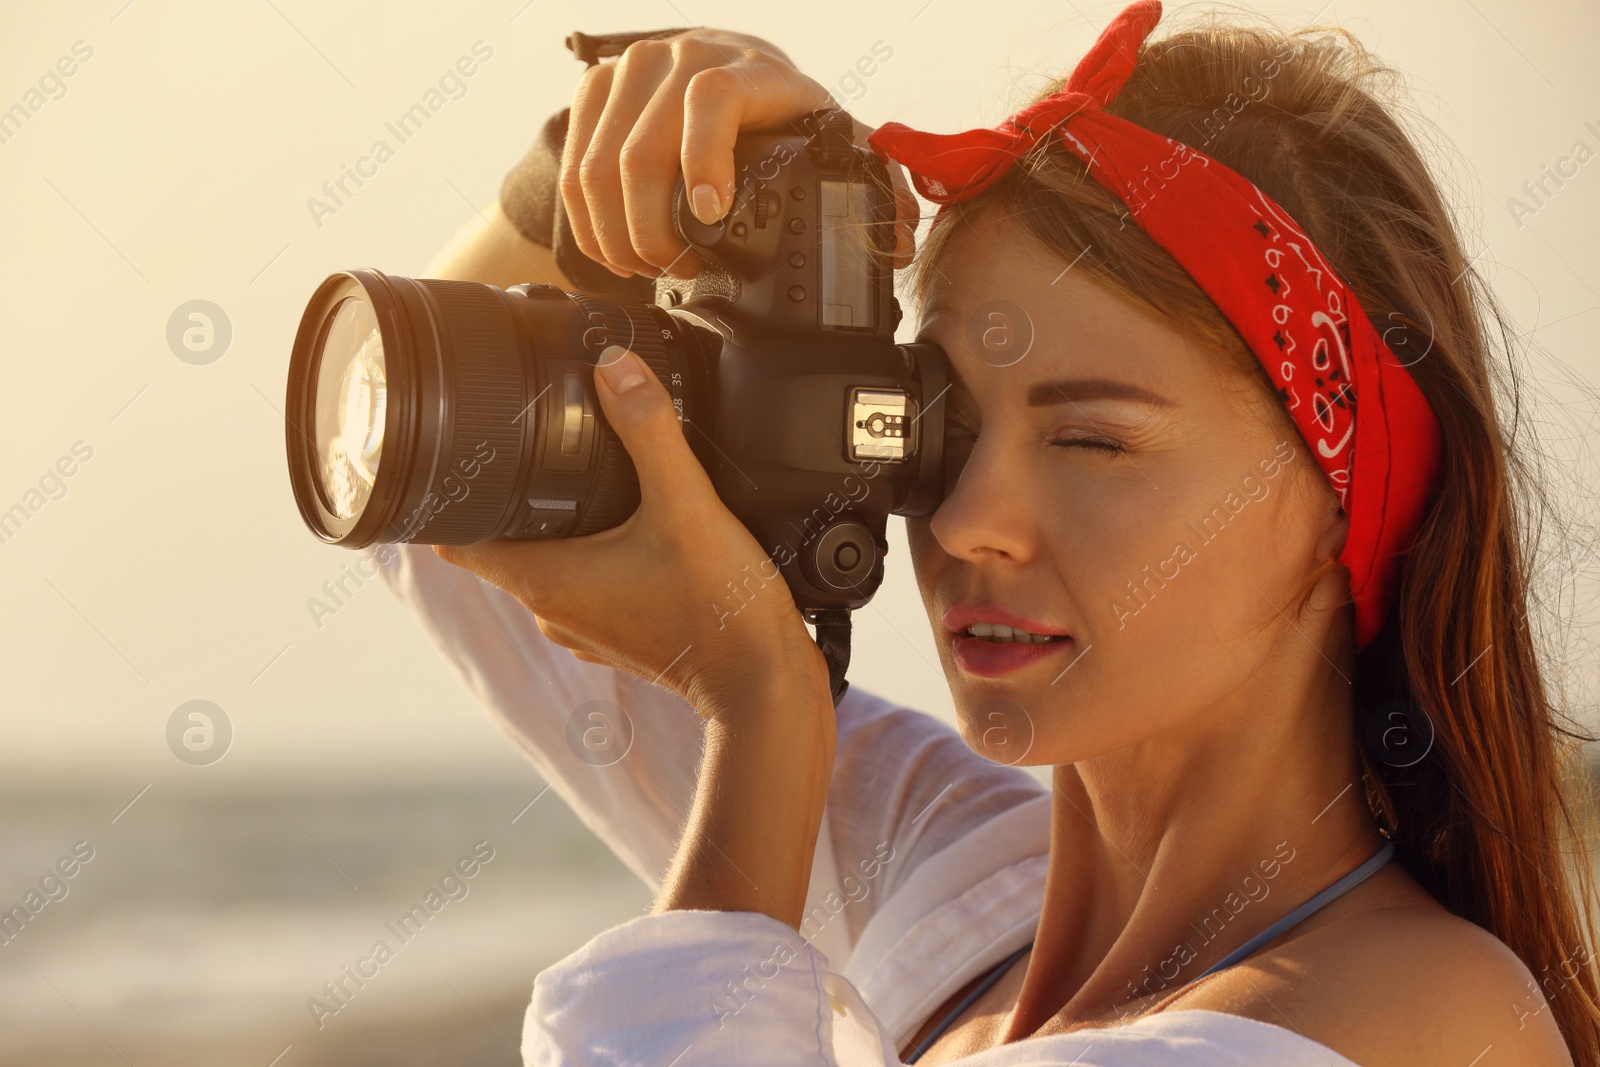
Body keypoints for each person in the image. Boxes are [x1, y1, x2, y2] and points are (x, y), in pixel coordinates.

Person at [374, 4, 1599, 1063]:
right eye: (941, 424)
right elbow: (435, 502)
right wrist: (599, 169)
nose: (965, 519)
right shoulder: (945, 881)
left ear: (1346, 492)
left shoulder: (1415, 1016)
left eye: (1091, 441)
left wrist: (759, 700)